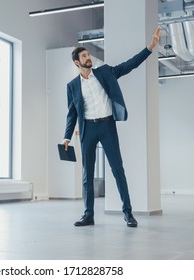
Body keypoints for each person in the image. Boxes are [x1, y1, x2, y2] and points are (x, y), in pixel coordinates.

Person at [62, 26, 161, 228]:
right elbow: (71, 113)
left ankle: (128, 213)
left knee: (117, 169)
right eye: (84, 56)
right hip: (87, 130)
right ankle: (88, 214)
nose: (88, 57)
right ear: (76, 62)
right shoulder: (72, 86)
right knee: (87, 174)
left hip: (107, 126)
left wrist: (149, 48)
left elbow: (129, 65)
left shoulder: (105, 72)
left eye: (88, 54)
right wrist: (66, 137)